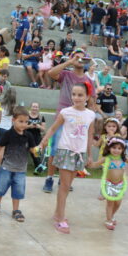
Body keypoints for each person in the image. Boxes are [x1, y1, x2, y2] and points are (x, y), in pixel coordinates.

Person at [38, 83, 95, 234]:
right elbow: (53, 128)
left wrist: (89, 155)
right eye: (74, 94)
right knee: (64, 186)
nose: (76, 98)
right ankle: (61, 218)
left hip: (79, 154)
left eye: (80, 95)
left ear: (87, 97)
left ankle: (58, 213)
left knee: (68, 185)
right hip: (65, 152)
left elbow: (89, 136)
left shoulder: (91, 115)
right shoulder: (66, 112)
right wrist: (44, 141)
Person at [43, 49, 95, 193]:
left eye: (81, 57)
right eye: (76, 56)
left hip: (79, 121)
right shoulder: (66, 74)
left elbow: (91, 103)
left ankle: (63, 179)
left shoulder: (89, 80)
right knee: (55, 150)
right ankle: (49, 178)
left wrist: (91, 123)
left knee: (73, 150)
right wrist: (70, 61)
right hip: (63, 117)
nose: (79, 59)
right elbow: (50, 73)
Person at [0, 106, 37, 223]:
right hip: (6, 167)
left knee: (18, 190)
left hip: (21, 170)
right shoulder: (8, 134)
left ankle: (15, 210)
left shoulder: (28, 136)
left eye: (26, 122)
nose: (23, 124)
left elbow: (33, 150)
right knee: (1, 187)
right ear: (13, 120)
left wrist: (39, 149)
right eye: (20, 121)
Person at [89, 137, 128, 230]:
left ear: (123, 150)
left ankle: (111, 215)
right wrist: (90, 162)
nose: (116, 150)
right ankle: (108, 220)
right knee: (110, 203)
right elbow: (95, 164)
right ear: (109, 148)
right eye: (114, 148)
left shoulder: (124, 158)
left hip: (120, 185)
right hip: (109, 185)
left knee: (118, 203)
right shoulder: (106, 158)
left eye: (119, 148)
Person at [27, 102, 46, 168]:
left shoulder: (41, 117)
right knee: (33, 151)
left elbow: (43, 129)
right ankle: (39, 166)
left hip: (37, 136)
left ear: (38, 108)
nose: (35, 108)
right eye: (33, 106)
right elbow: (22, 126)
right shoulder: (26, 116)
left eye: (36, 107)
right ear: (31, 107)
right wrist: (29, 126)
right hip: (28, 136)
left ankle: (38, 166)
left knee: (37, 152)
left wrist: (39, 126)